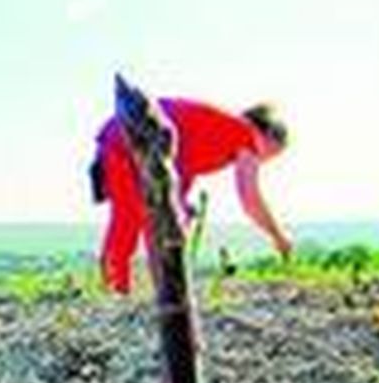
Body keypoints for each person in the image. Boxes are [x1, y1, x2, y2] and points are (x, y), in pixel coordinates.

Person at [91, 98, 291, 293]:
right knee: (129, 218)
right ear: (265, 134)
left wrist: (182, 206)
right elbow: (250, 200)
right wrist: (278, 236)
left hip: (128, 136)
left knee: (156, 223)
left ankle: (148, 290)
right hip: (128, 139)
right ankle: (115, 291)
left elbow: (181, 168)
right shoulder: (244, 135)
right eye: (270, 154)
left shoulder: (219, 135)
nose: (262, 161)